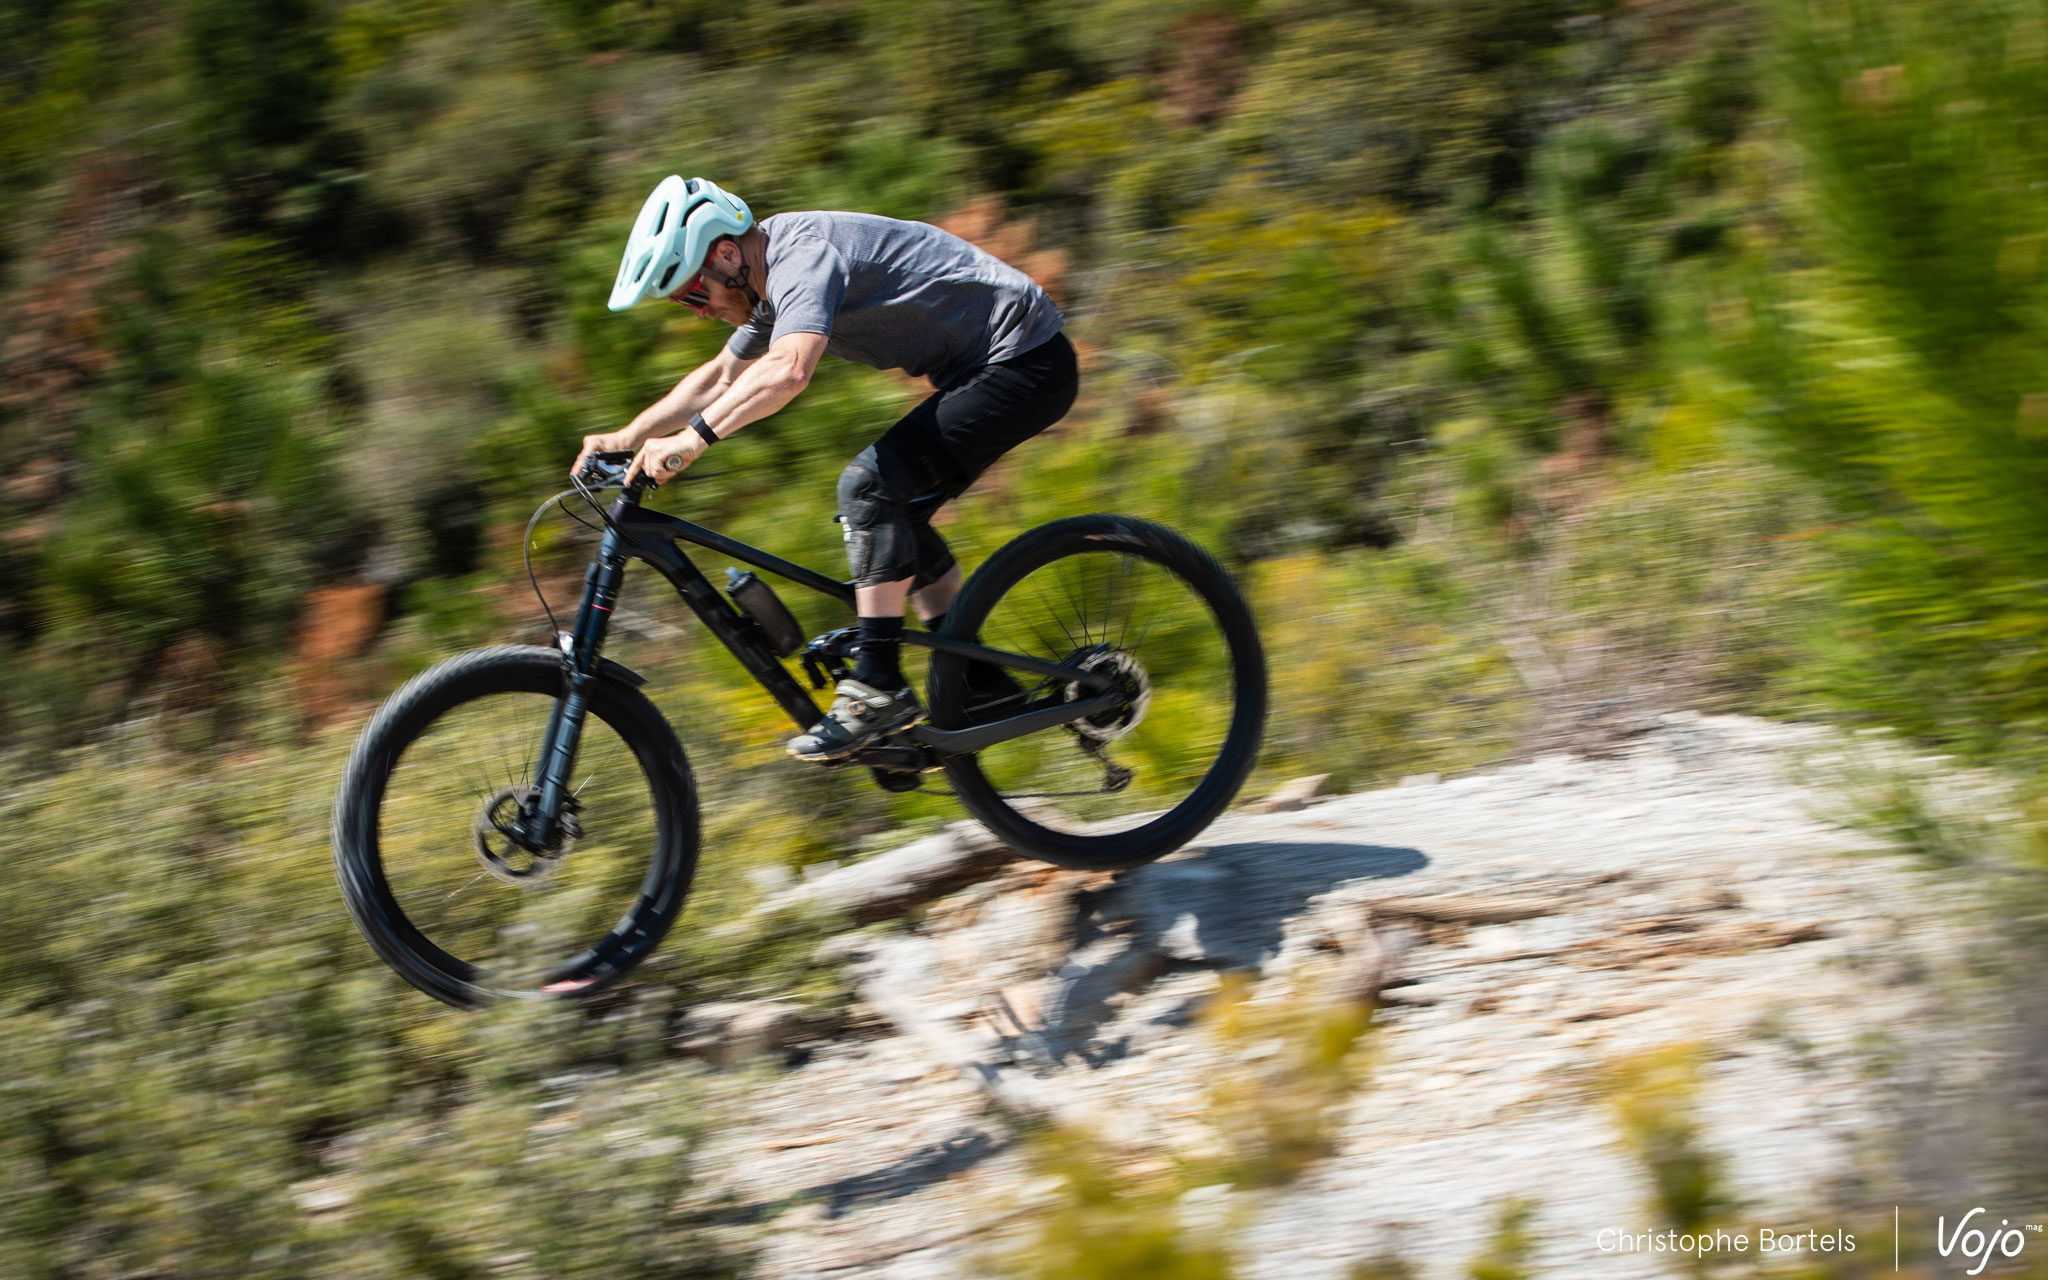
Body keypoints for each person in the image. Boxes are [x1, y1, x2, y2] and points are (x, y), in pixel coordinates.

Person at [573, 175, 1077, 762]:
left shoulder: (802, 256)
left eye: (692, 296)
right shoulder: (764, 285)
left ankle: (878, 688)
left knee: (868, 488)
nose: (700, 312)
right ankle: (981, 683)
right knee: (894, 516)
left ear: (727, 255)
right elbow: (720, 376)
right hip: (989, 369)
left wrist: (691, 441)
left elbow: (790, 369)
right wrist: (628, 436)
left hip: (1026, 360)